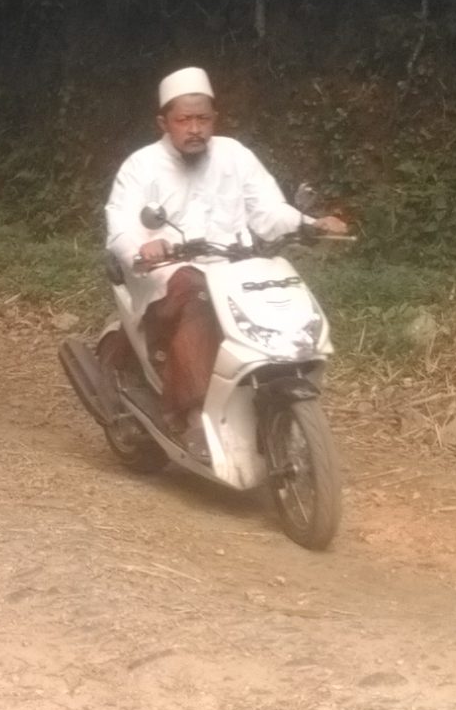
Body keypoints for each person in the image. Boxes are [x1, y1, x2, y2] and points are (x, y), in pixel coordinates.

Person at [102, 67, 348, 444]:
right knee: (200, 294)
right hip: (165, 272)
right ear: (164, 122)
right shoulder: (141, 166)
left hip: (234, 268)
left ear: (215, 118)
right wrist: (143, 246)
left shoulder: (235, 155)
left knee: (275, 290)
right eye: (184, 119)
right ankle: (193, 413)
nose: (195, 128)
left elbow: (268, 211)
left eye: (203, 118)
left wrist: (310, 223)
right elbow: (120, 225)